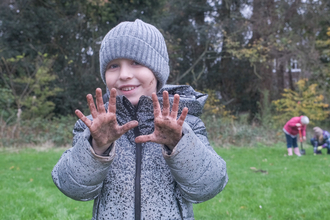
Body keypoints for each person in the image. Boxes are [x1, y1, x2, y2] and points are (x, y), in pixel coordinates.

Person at [52, 19, 228, 219]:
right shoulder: (94, 128)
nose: (125, 74)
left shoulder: (186, 124)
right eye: (113, 66)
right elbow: (73, 188)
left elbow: (208, 187)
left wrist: (178, 143)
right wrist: (97, 148)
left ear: (157, 70)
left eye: (136, 62)